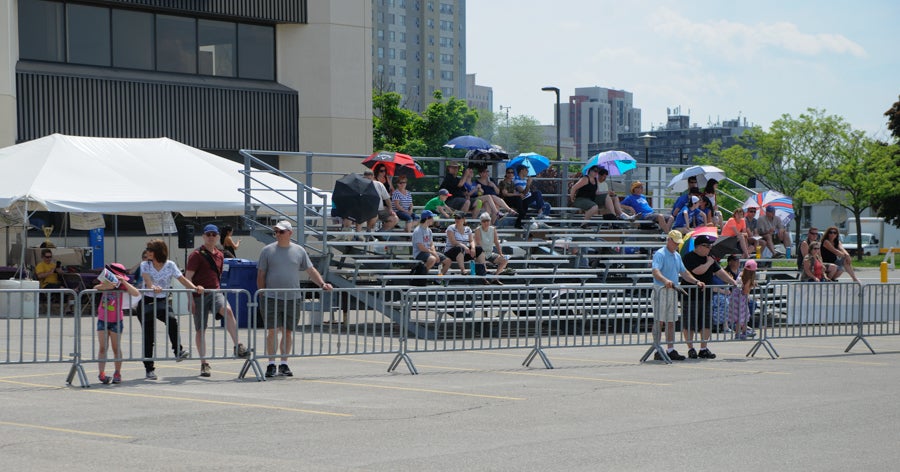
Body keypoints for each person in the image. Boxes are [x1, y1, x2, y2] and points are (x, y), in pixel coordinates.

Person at [257, 220, 333, 378]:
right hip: (271, 297)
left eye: (281, 232)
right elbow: (261, 274)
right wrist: (262, 292)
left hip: (292, 298)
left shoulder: (299, 251)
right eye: (276, 232)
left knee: (288, 331)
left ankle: (284, 363)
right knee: (272, 331)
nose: (278, 234)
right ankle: (271, 364)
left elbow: (310, 270)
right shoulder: (267, 250)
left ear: (290, 233)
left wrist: (322, 284)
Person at [185, 224, 251, 378]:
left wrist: (219, 290)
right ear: (203, 236)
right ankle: (204, 363)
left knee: (227, 310)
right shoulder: (196, 255)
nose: (211, 237)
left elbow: (218, 276)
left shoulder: (220, 255)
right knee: (201, 329)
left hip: (215, 292)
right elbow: (187, 278)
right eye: (208, 234)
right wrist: (191, 298)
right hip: (198, 293)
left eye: (214, 234)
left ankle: (238, 345)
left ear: (217, 237)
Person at [140, 239, 200, 380]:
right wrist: (153, 286)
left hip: (162, 300)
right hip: (147, 301)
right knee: (149, 336)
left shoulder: (170, 265)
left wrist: (195, 287)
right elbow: (148, 282)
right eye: (147, 249)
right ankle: (149, 369)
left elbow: (183, 280)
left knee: (172, 320)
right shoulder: (145, 265)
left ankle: (178, 351)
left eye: (150, 249)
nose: (147, 252)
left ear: (158, 252)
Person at [650, 230, 705, 361]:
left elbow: (684, 272)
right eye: (675, 242)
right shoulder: (660, 254)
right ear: (669, 240)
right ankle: (657, 348)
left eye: (677, 243)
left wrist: (696, 281)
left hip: (672, 290)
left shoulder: (677, 255)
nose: (676, 245)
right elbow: (655, 271)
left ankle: (670, 349)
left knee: (671, 321)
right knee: (659, 320)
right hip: (661, 290)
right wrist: (665, 281)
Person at [680, 234, 737, 359]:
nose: (709, 249)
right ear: (699, 246)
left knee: (706, 323)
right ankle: (691, 348)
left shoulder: (710, 258)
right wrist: (709, 263)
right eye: (707, 246)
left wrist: (732, 282)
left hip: (706, 296)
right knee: (689, 324)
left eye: (710, 246)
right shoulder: (688, 257)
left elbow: (720, 272)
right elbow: (697, 271)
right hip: (690, 296)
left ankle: (703, 348)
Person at [95, 262, 141, 385]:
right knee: (102, 347)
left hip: (116, 320)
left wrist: (124, 282)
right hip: (102, 319)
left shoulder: (122, 286)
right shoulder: (106, 283)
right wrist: (107, 286)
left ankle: (117, 372)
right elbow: (96, 288)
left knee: (116, 348)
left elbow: (136, 293)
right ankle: (101, 373)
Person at [411, 210, 451, 275]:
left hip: (428, 252)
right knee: (432, 259)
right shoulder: (418, 230)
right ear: (427, 218)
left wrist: (434, 252)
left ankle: (438, 279)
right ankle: (421, 277)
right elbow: (421, 248)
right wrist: (433, 254)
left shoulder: (429, 230)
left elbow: (431, 243)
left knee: (448, 261)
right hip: (419, 253)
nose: (433, 220)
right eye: (432, 218)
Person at [360, 169, 398, 233]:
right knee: (374, 216)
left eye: (369, 179)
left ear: (373, 177)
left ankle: (378, 233)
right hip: (367, 210)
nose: (368, 181)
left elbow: (387, 199)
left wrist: (390, 209)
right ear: (363, 178)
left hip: (380, 210)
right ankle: (368, 233)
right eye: (366, 179)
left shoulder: (379, 185)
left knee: (395, 219)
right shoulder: (360, 186)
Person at [474, 212, 508, 282]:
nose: (486, 223)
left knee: (504, 260)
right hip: (480, 253)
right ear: (481, 222)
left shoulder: (493, 229)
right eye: (484, 221)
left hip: (490, 252)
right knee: (482, 257)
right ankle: (484, 279)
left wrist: (500, 253)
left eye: (487, 221)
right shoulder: (478, 230)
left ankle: (495, 277)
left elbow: (496, 242)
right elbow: (479, 243)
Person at [729, 259, 757, 340]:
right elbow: (745, 291)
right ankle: (738, 333)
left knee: (744, 315)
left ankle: (744, 331)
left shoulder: (741, 274)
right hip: (740, 299)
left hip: (736, 299)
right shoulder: (747, 279)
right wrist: (751, 286)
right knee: (740, 316)